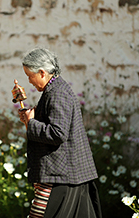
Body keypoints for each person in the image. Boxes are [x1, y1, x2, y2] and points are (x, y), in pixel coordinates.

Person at [18, 47, 102, 218]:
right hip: (64, 174)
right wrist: (30, 120)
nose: (29, 81)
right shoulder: (54, 90)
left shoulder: (58, 93)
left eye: (30, 76)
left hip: (61, 177)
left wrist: (31, 122)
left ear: (42, 73)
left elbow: (57, 133)